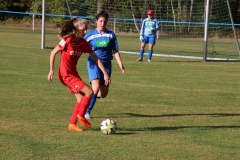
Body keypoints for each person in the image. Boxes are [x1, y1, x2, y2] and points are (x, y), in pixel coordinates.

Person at [47, 18, 110, 132]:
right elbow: (53, 53)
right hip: (65, 75)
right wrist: (51, 70)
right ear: (76, 29)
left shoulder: (83, 43)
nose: (85, 32)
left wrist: (105, 73)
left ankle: (72, 124)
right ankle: (81, 116)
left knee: (81, 99)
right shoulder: (67, 40)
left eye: (86, 30)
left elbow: (96, 58)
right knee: (90, 92)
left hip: (73, 74)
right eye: (83, 30)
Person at [84, 11, 125, 119]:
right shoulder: (90, 35)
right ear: (96, 21)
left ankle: (88, 95)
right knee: (96, 86)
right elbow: (80, 46)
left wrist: (121, 64)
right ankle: (87, 111)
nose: (102, 23)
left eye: (105, 21)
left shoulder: (110, 34)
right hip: (93, 63)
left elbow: (115, 51)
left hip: (106, 64)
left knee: (103, 93)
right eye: (100, 21)